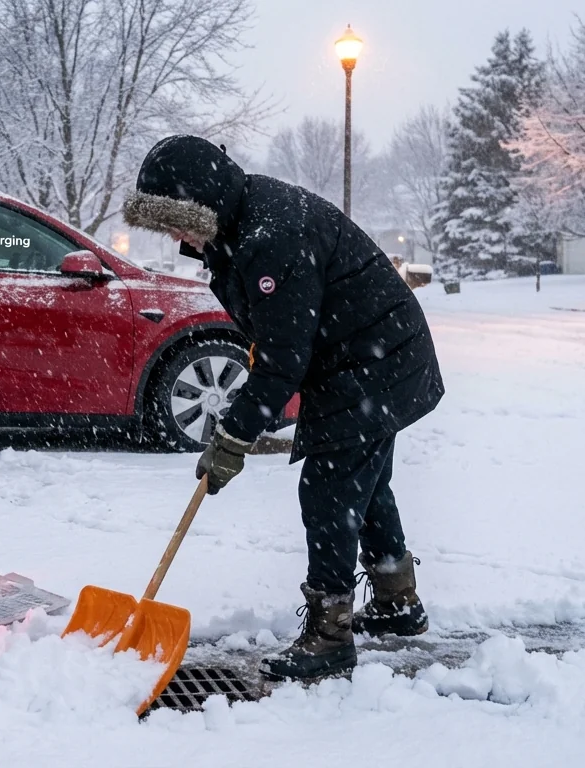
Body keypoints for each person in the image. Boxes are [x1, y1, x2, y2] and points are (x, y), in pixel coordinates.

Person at [121, 135, 445, 682]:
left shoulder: (271, 237)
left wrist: (232, 439)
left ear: (203, 204)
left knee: (329, 492)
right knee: (363, 487)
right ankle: (397, 601)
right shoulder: (240, 223)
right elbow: (279, 334)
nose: (174, 236)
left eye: (176, 221)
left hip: (374, 365)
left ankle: (329, 636)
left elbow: (282, 362)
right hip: (370, 358)